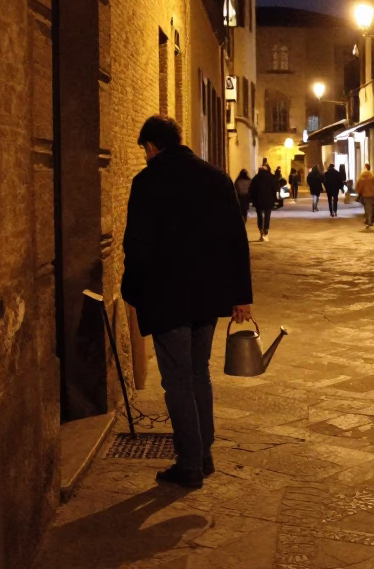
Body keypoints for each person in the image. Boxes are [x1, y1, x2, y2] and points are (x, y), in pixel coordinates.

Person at [121, 115, 253, 491]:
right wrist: (241, 295)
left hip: (166, 297)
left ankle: (190, 463)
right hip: (208, 296)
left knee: (177, 380)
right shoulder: (216, 178)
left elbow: (138, 245)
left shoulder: (147, 182)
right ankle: (204, 453)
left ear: (150, 146)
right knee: (198, 374)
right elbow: (235, 241)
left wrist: (132, 288)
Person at [248, 163, 278, 241]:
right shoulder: (272, 178)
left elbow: (252, 190)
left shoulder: (256, 178)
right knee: (267, 216)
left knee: (260, 216)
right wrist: (275, 200)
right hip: (269, 200)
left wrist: (252, 199)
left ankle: (261, 232)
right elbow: (275, 189)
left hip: (258, 200)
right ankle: (266, 231)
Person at [356, 163, 374, 230]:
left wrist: (359, 193)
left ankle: (369, 221)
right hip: (373, 194)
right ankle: (371, 220)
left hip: (365, 194)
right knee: (372, 207)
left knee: (367, 208)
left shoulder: (362, 177)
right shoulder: (373, 176)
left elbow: (359, 186)